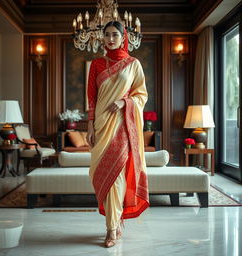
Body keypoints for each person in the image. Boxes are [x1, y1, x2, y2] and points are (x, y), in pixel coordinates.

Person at [86, 20, 149, 248]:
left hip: (123, 127)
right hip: (102, 127)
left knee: (117, 177)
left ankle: (111, 229)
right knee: (100, 173)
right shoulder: (96, 65)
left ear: (124, 37)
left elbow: (141, 95)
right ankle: (116, 217)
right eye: (106, 35)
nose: (110, 39)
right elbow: (91, 98)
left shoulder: (134, 64)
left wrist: (124, 102)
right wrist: (90, 126)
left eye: (115, 34)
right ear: (102, 38)